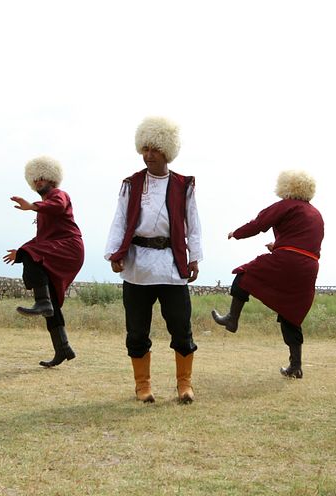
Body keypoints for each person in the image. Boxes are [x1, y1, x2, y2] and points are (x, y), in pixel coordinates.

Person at [104, 116, 202, 404]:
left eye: (154, 149)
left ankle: (184, 384)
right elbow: (120, 220)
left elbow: (193, 224)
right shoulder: (131, 184)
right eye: (144, 149)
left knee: (181, 327)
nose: (148, 155)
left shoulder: (184, 185)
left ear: (167, 150)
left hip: (171, 266)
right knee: (136, 330)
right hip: (137, 266)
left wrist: (194, 257)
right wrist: (114, 254)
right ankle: (142, 385)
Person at [212, 170, 324, 379]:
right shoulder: (315, 214)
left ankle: (231, 319)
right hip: (309, 267)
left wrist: (236, 233)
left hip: (288, 261)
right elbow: (305, 243)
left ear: (286, 188)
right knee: (291, 312)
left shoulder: (286, 205)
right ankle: (295, 366)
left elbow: (259, 224)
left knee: (244, 275)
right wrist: (279, 245)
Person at [3, 155, 85, 367]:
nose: (39, 182)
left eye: (43, 178)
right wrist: (19, 252)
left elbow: (57, 206)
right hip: (54, 249)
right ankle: (63, 349)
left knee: (32, 255)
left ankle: (41, 302)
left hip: (68, 247)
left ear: (52, 179)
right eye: (35, 179)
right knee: (53, 304)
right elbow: (40, 239)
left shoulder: (59, 195)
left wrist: (32, 206)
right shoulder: (41, 209)